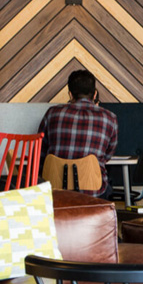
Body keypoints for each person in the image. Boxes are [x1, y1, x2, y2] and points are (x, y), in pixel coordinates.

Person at [38, 70, 118, 198]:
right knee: (109, 184)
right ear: (95, 94)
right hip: (93, 191)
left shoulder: (52, 113)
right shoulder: (109, 117)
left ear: (70, 94)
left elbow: (40, 151)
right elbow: (107, 156)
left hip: (54, 189)